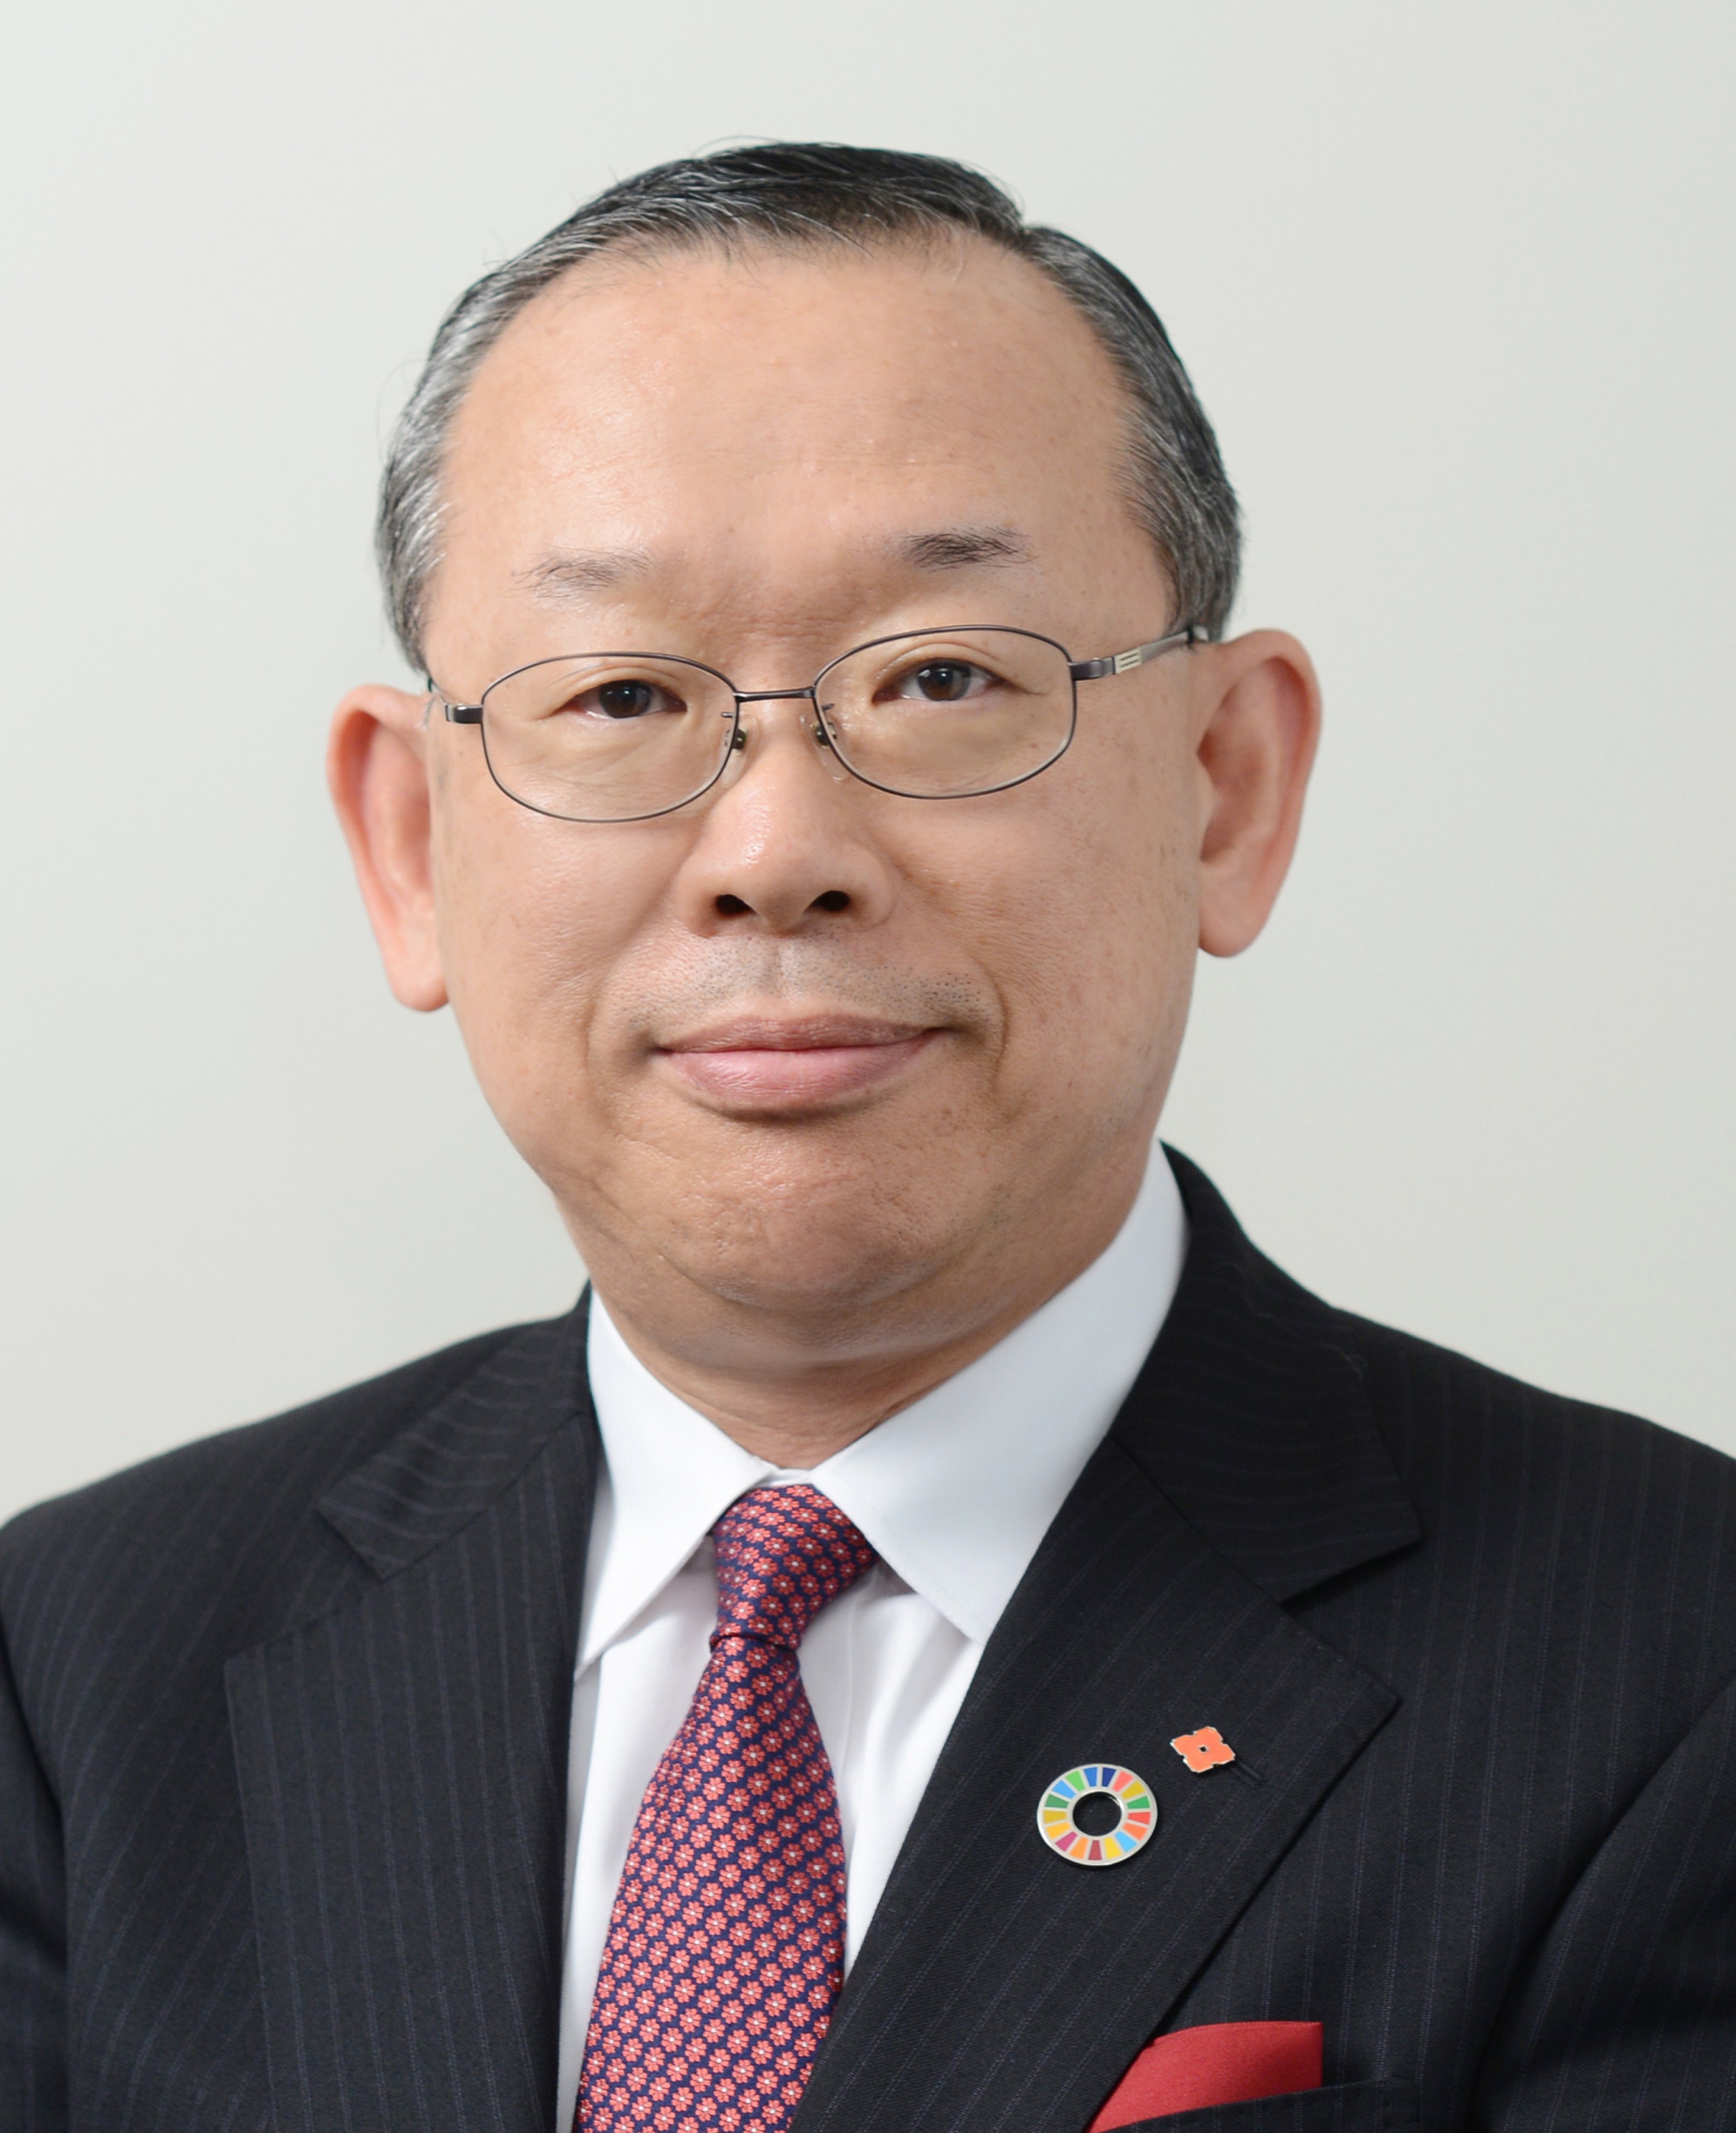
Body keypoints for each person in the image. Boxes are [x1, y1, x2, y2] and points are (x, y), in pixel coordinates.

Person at [2, 142, 1732, 2133]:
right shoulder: (78, 1670)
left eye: (940, 678)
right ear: (409, 846)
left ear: (1225, 788)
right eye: (621, 694)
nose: (775, 851)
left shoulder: (1672, 1672)